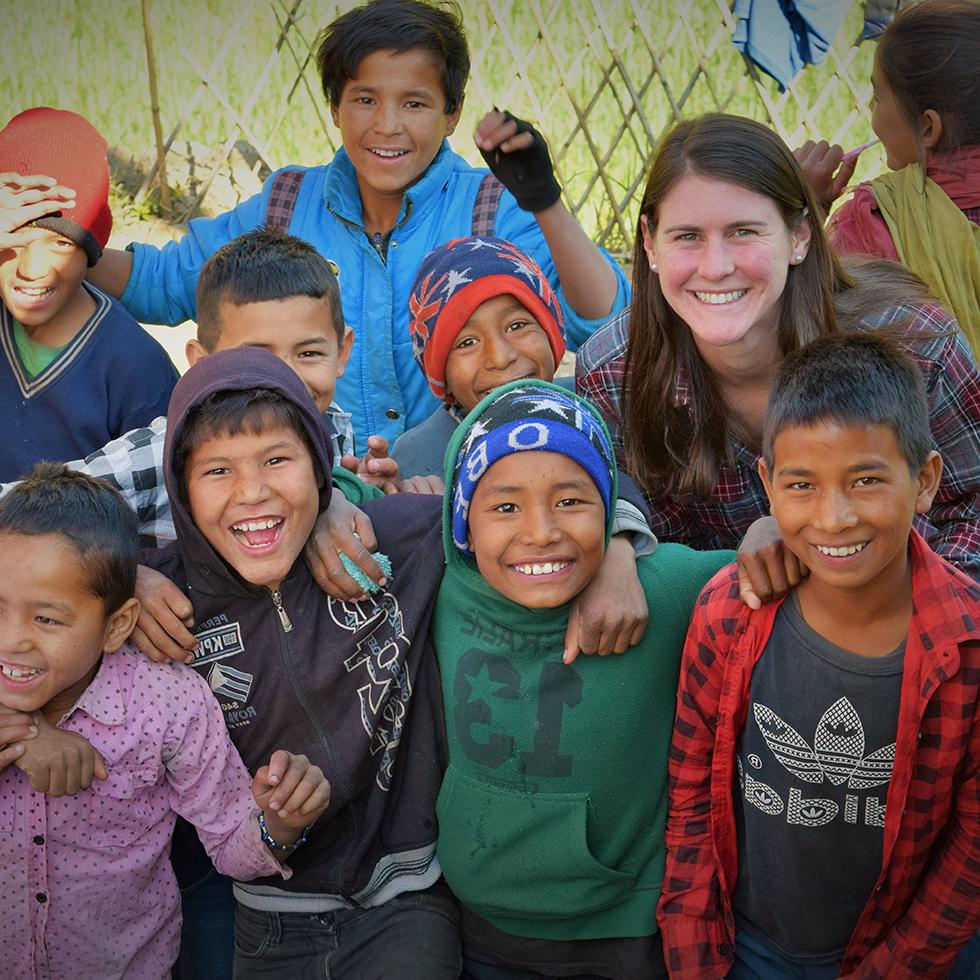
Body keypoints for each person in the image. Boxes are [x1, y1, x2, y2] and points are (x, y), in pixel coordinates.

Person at [4, 0, 628, 447]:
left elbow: (605, 325)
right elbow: (168, 282)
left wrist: (546, 203)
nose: (386, 126)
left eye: (414, 103)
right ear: (334, 106)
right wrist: (68, 238)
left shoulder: (494, 207)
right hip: (312, 491)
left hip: (462, 487)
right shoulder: (287, 204)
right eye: (364, 100)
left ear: (452, 110)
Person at [657, 334, 980, 979]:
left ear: (924, 482)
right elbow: (691, 795)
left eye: (865, 481)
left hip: (905, 952)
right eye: (802, 484)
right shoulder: (727, 614)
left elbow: (971, 851)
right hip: (744, 946)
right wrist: (695, 956)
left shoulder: (967, 647)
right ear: (768, 487)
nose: (833, 519)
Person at [142, 346, 460, 978]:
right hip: (263, 915)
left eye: (278, 460)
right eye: (217, 471)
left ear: (319, 467)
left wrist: (619, 537)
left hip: (407, 898)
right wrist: (119, 575)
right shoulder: (160, 603)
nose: (252, 491)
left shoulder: (391, 539)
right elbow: (40, 572)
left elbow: (535, 498)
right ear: (179, 489)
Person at [575, 112, 980, 594]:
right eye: (687, 236)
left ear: (799, 237)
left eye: (744, 232)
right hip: (722, 632)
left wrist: (815, 542)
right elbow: (651, 541)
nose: (717, 267)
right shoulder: (614, 372)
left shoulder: (915, 344)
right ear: (650, 243)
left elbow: (972, 509)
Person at [433, 380, 732, 979]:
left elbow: (762, 563)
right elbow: (330, 497)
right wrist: (339, 503)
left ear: (608, 505)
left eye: (571, 501)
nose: (541, 531)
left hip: (624, 928)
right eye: (505, 506)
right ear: (463, 522)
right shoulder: (431, 584)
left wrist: (765, 534)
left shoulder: (661, 591)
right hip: (480, 926)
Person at [0, 463, 330, 979]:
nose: (12, 638)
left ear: (118, 626)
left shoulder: (166, 702)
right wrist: (25, 736)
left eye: (46, 619)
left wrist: (280, 823)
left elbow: (229, 841)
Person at [394, 235, 655, 659]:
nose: (499, 357)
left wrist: (618, 550)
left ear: (552, 330)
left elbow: (620, 485)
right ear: (436, 365)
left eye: (518, 326)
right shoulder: (417, 456)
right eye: (466, 342)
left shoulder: (591, 412)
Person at [0, 107, 178, 481]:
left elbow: (161, 510)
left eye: (60, 243)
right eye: (12, 238)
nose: (31, 269)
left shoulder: (138, 369)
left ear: (92, 251)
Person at [796, 0, 980, 355]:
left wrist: (806, 208)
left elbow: (811, 322)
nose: (870, 109)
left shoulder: (873, 220)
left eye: (878, 96)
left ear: (928, 127)